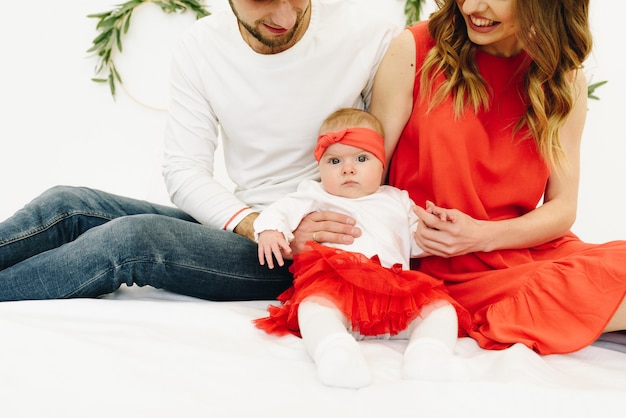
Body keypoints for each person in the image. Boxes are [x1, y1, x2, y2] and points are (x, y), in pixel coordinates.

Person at [0, 0, 399, 301]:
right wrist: (260, 224)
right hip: (257, 230)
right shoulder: (202, 45)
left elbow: (387, 158)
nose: (286, 17)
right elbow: (184, 169)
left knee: (136, 240)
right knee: (67, 203)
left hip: (321, 253)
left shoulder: (369, 36)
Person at [369, 0, 626, 355]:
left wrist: (482, 236)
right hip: (437, 265)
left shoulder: (564, 77)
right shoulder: (415, 49)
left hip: (516, 247)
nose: (473, 6)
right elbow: (366, 176)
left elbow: (563, 208)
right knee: (561, 288)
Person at [253, 108, 471, 388]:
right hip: (337, 287)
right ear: (320, 168)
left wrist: (434, 228)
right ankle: (335, 352)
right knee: (313, 308)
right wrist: (271, 229)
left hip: (394, 292)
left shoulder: (397, 198)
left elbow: (415, 244)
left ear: (381, 164)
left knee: (440, 309)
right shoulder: (314, 193)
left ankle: (428, 355)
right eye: (334, 161)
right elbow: (281, 210)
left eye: (361, 158)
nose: (347, 168)